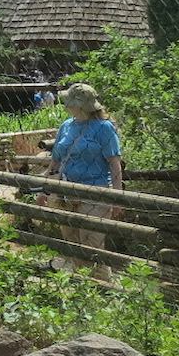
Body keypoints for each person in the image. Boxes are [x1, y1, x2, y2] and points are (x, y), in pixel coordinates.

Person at [38, 83, 123, 275]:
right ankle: (82, 286)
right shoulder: (67, 125)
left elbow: (114, 163)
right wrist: (45, 189)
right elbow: (56, 161)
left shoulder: (104, 128)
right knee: (72, 239)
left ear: (80, 104)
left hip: (96, 191)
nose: (64, 103)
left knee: (92, 243)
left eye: (68, 100)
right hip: (65, 191)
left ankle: (101, 285)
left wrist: (117, 197)